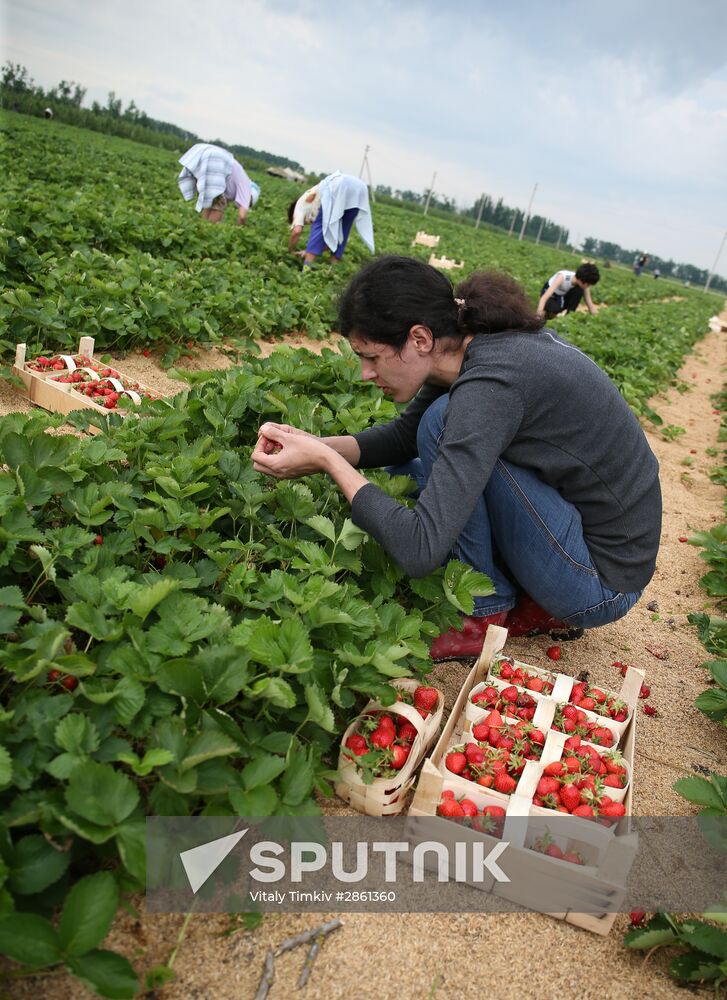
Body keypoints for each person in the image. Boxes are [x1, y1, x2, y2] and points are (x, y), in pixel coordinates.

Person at [251, 255, 661, 660]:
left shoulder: (490, 386)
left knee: (440, 427)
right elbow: (402, 438)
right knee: (410, 459)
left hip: (600, 581)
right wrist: (318, 444)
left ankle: (482, 615)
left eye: (371, 356)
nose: (364, 373)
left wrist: (329, 464)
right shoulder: (467, 348)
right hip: (584, 537)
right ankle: (533, 600)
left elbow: (419, 549)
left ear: (419, 339)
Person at [287, 170, 374, 265]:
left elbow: (296, 231)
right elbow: (331, 240)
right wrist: (307, 251)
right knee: (342, 231)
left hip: (338, 185)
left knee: (318, 227)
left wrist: (290, 252)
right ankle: (333, 267)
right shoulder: (312, 202)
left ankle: (307, 268)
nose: (307, 223)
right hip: (360, 189)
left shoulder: (299, 207)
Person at [177, 143, 260, 225]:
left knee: (211, 200)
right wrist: (241, 230)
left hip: (203, 154)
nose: (246, 205)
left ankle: (202, 226)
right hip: (214, 161)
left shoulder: (240, 181)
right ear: (250, 197)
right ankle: (208, 230)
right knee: (219, 204)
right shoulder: (246, 190)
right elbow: (242, 216)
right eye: (249, 204)